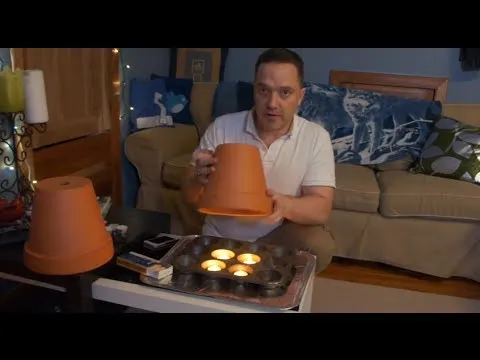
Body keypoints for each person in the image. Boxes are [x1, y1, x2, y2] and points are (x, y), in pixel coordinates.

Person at [181, 48, 336, 272]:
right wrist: (197, 178)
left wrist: (286, 205)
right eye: (264, 90)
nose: (272, 103)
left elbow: (321, 207)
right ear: (255, 90)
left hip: (276, 237)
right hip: (219, 236)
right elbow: (188, 196)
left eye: (285, 93)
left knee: (319, 243)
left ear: (300, 96)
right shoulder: (223, 127)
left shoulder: (316, 137)